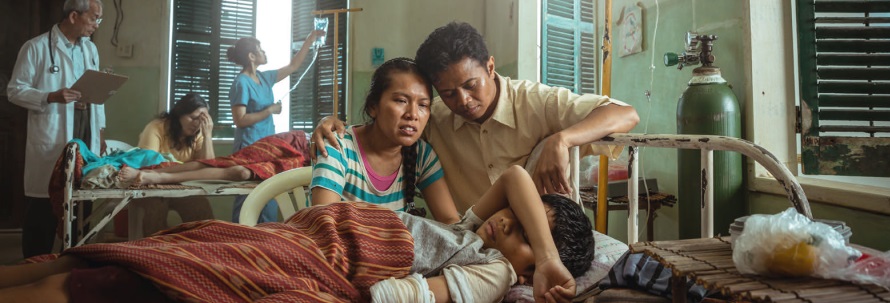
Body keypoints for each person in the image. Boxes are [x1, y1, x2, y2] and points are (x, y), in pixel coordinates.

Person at [0, 167, 592, 303]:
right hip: (317, 232)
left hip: (336, 257)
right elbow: (516, 176)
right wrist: (541, 252)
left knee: (149, 274)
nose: (502, 222)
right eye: (518, 219)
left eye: (515, 232)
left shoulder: (494, 271)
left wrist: (533, 265)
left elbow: (402, 297)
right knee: (184, 243)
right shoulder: (475, 236)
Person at [314, 21, 640, 214]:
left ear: (491, 67)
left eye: (471, 86)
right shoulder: (433, 117)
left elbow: (625, 114)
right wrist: (332, 124)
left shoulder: (538, 102)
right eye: (449, 93)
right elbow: (386, 128)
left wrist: (563, 138)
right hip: (478, 241)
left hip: (544, 235)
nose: (464, 101)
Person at [6, 0, 106, 258]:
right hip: (53, 137)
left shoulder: (91, 49)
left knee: (81, 209)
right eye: (94, 18)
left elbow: (97, 94)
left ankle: (71, 269)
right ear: (74, 16)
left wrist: (101, 134)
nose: (97, 24)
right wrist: (50, 96)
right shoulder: (36, 47)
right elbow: (15, 91)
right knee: (44, 212)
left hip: (85, 134)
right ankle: (33, 271)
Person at [309, 58, 459, 223]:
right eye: (401, 101)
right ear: (373, 107)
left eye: (423, 105)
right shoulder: (338, 147)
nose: (413, 114)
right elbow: (324, 225)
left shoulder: (421, 155)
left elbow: (450, 220)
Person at [226, 29, 324, 223]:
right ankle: (241, 238)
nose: (265, 52)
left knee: (268, 196)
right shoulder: (241, 83)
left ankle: (265, 244)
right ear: (251, 56)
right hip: (249, 146)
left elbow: (294, 66)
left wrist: (309, 39)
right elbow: (240, 119)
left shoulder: (264, 78)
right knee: (247, 197)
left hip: (268, 146)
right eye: (260, 49)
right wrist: (269, 110)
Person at [127, 93, 217, 236]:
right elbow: (148, 165)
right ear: (179, 114)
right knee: (156, 205)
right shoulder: (156, 128)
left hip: (180, 187)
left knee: (199, 203)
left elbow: (209, 166)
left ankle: (203, 250)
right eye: (193, 118)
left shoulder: (198, 134)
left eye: (201, 120)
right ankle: (154, 251)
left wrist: (207, 136)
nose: (196, 123)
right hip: (150, 186)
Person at [114, 130, 309, 187]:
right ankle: (152, 174)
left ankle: (153, 175)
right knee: (225, 162)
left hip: (305, 161)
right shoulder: (158, 127)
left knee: (239, 172)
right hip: (297, 144)